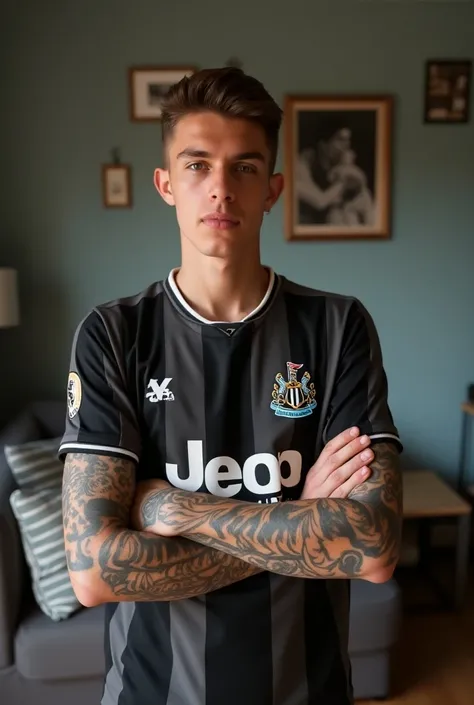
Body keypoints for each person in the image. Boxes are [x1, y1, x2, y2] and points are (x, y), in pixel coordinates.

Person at [59, 66, 403, 705]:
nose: (220, 188)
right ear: (166, 184)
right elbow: (94, 570)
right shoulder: (113, 333)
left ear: (272, 189)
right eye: (197, 165)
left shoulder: (337, 326)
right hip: (149, 693)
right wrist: (303, 518)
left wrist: (173, 508)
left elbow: (372, 546)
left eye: (244, 168)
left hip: (309, 689)